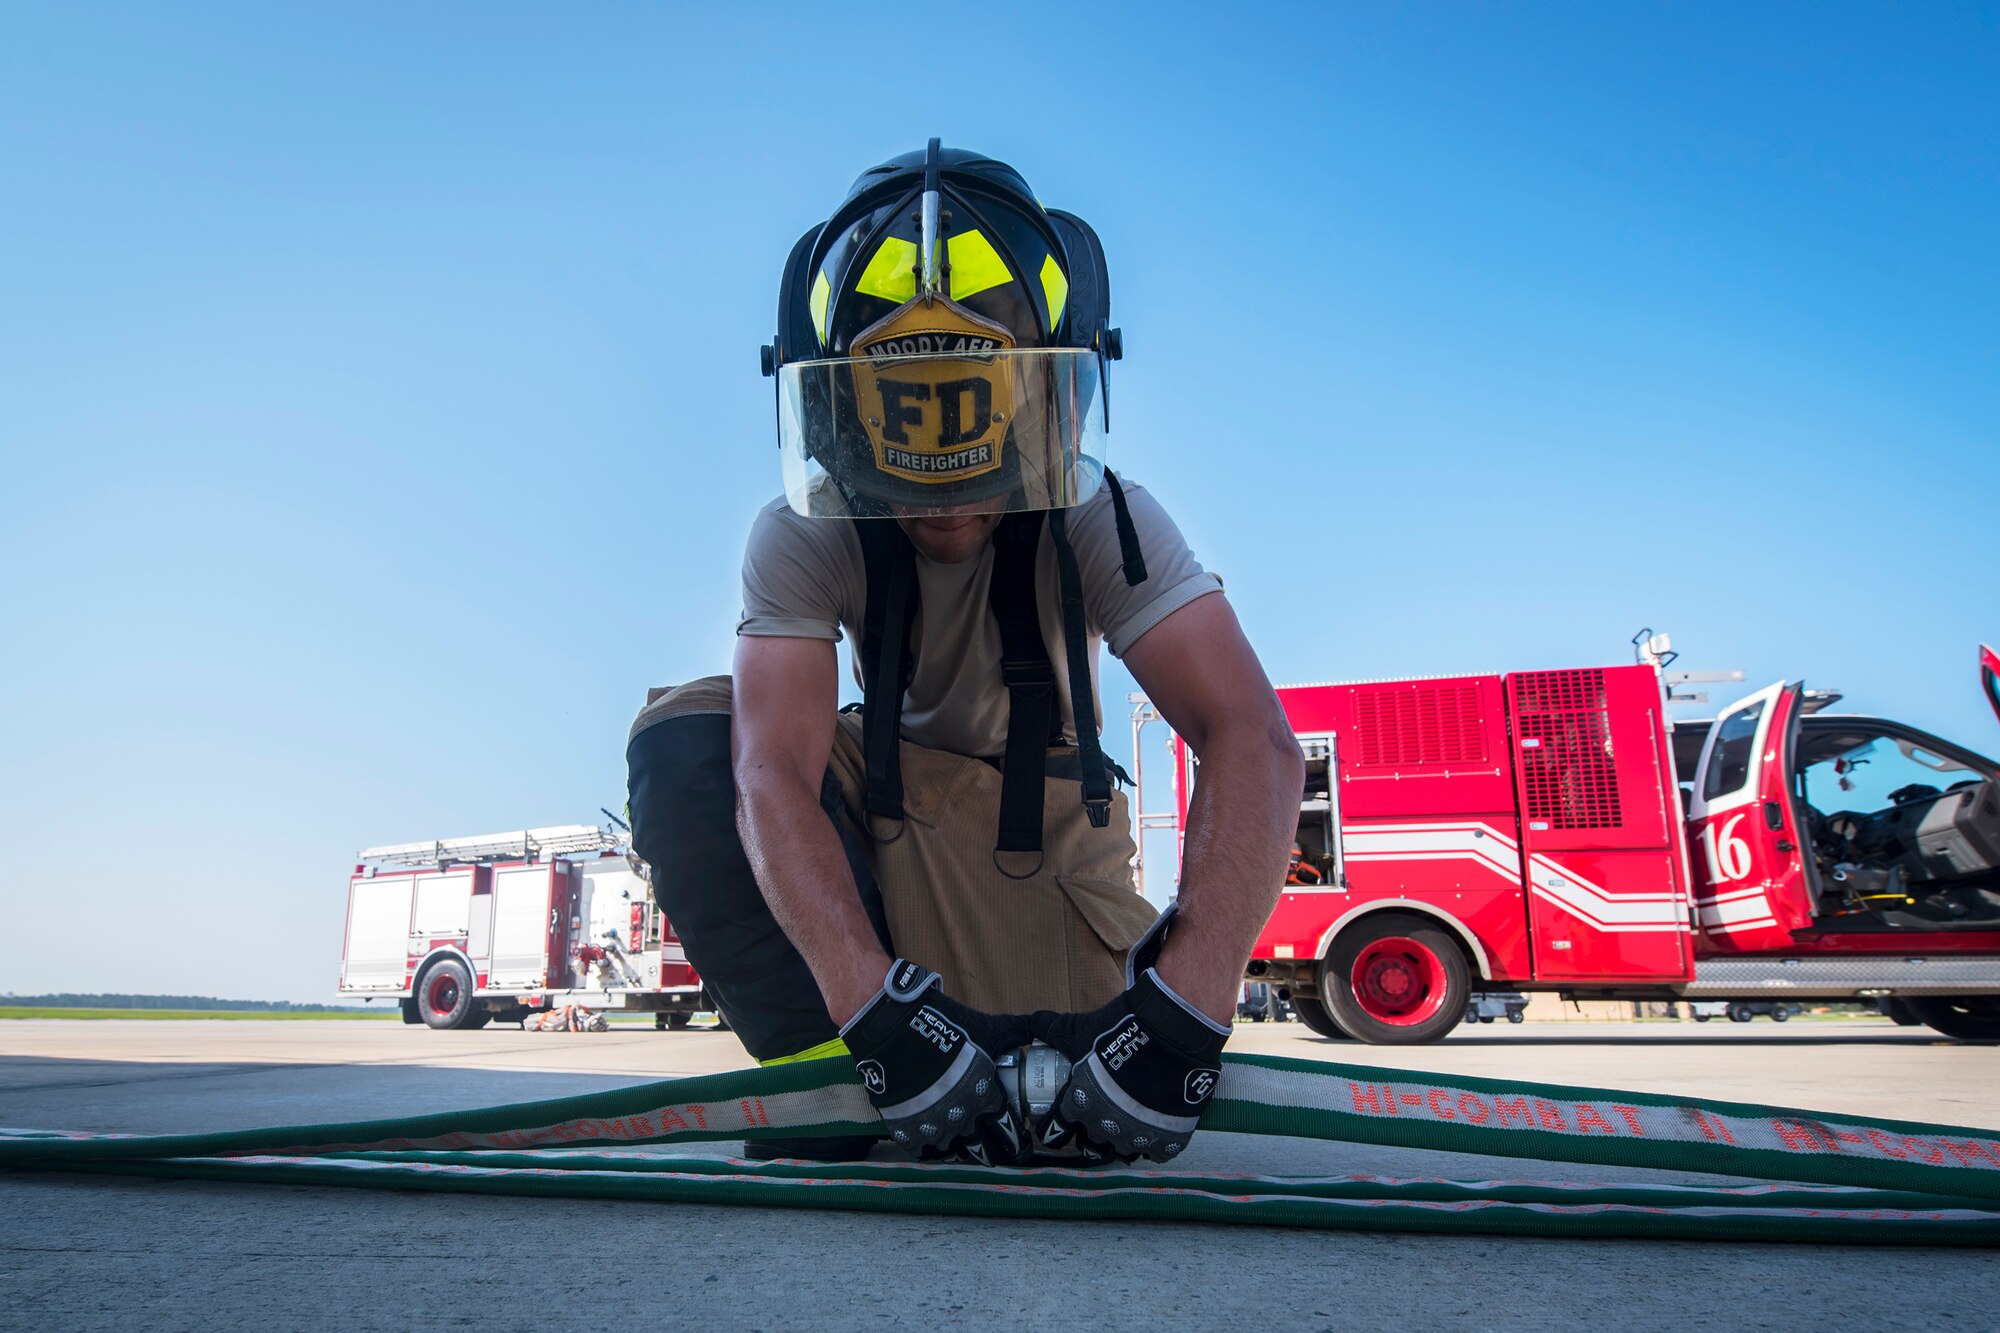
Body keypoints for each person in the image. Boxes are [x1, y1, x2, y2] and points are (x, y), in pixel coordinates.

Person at [626, 141, 1302, 1167]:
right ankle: (837, 1088)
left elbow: (1249, 735)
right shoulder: (801, 532)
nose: (942, 507)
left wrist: (1183, 1014)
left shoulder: (1104, 516)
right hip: (890, 856)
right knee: (685, 736)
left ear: (1040, 409)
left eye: (971, 472)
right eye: (914, 478)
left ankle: (1039, 1046)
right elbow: (767, 772)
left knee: (1102, 1100)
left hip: (1047, 855)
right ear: (846, 420)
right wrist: (869, 1013)